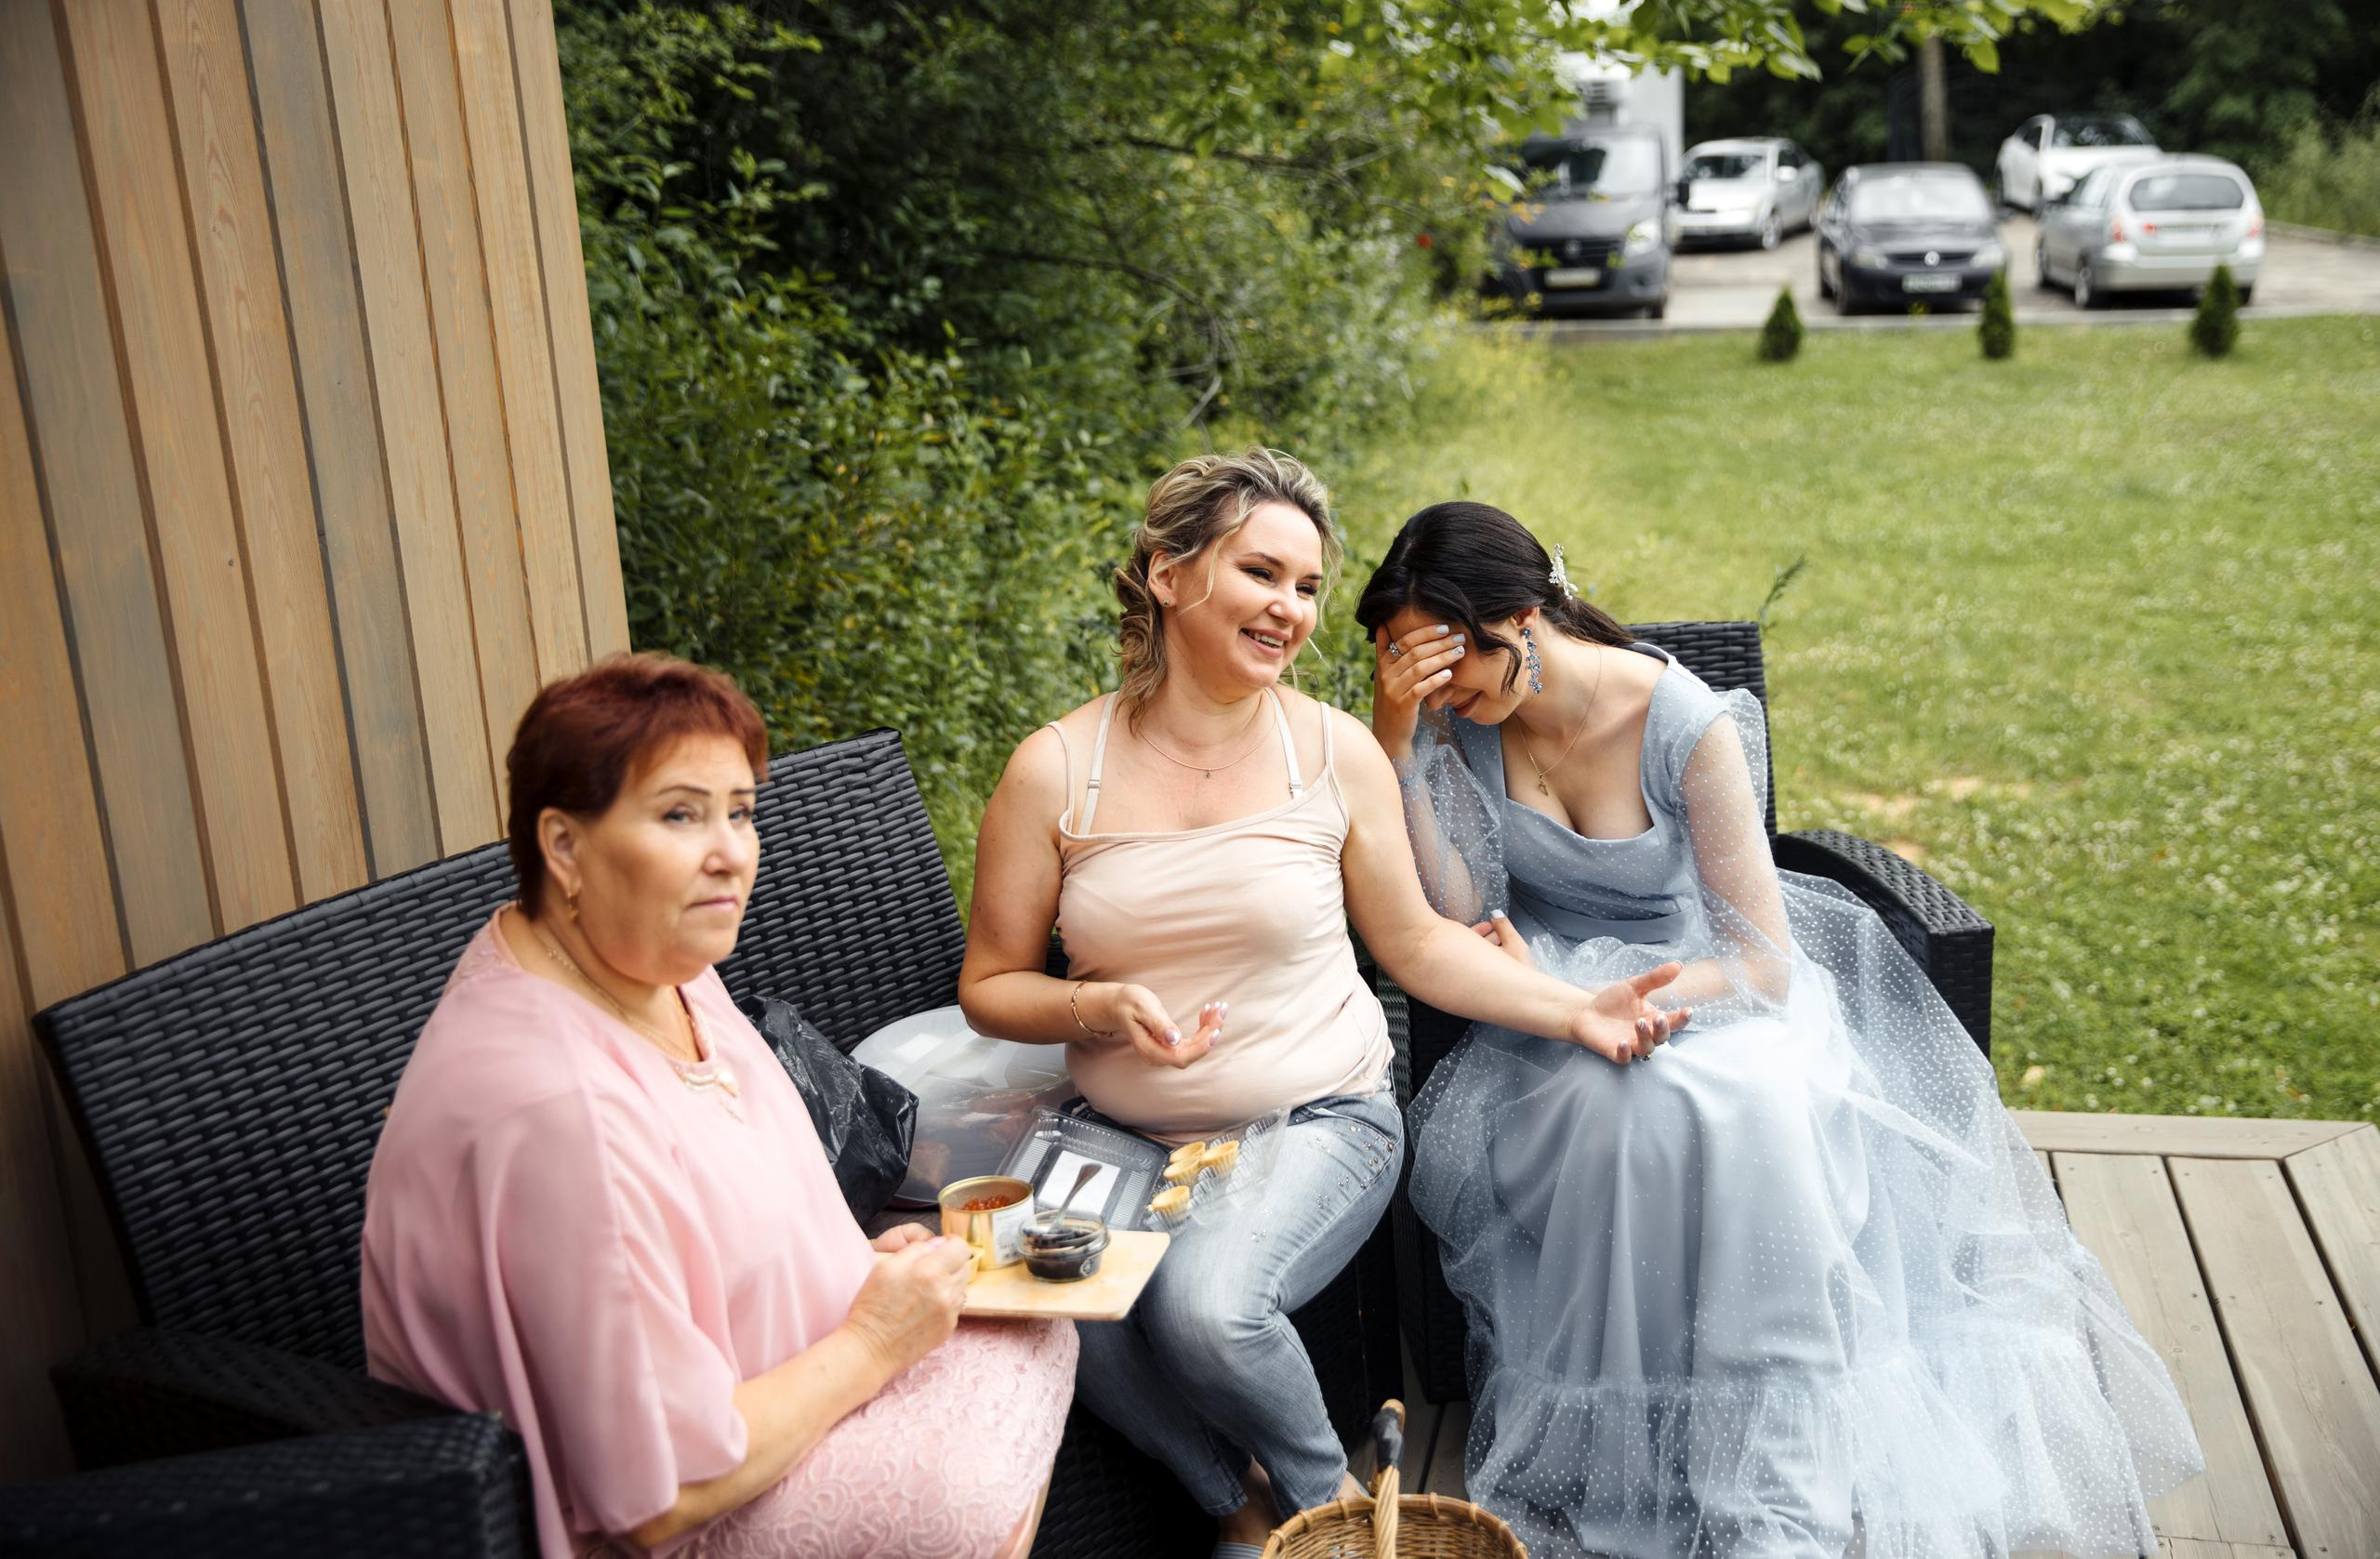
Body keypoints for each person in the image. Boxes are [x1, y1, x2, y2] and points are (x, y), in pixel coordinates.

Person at [1355, 500, 2204, 1559]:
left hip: (1715, 989)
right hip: (1550, 1002)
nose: (1434, 687)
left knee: (1735, 1104)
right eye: (1403, 666)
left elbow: (1763, 960)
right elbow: (1448, 906)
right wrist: (1400, 745)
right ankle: (1643, 1461)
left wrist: (1649, 1002)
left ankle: (1774, 1476)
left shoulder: (1685, 724)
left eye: (1440, 660)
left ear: (1518, 617)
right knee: (1611, 1110)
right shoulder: (1457, 727)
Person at [959, 452, 1686, 1559]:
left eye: (1306, 587)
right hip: (1118, 1129)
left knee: (1209, 1310)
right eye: (1261, 573)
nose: (1291, 611)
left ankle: (1345, 1519)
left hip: (1315, 1116)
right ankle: (1244, 1501)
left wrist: (1571, 1008)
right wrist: (1098, 1007)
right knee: (1046, 1304)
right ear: (1167, 574)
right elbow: (991, 986)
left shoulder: (1333, 751)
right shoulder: (1055, 769)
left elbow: (1415, 947)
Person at [362, 654, 1076, 1559]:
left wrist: (846, 1261)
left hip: (741, 1389)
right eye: (679, 814)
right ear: (563, 847)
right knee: (979, 1448)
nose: (730, 851)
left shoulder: (645, 964)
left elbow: (706, 1195)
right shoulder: (558, 1112)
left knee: (1033, 1315)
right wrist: (871, 1340)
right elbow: (655, 1495)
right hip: (652, 1517)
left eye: (739, 811)